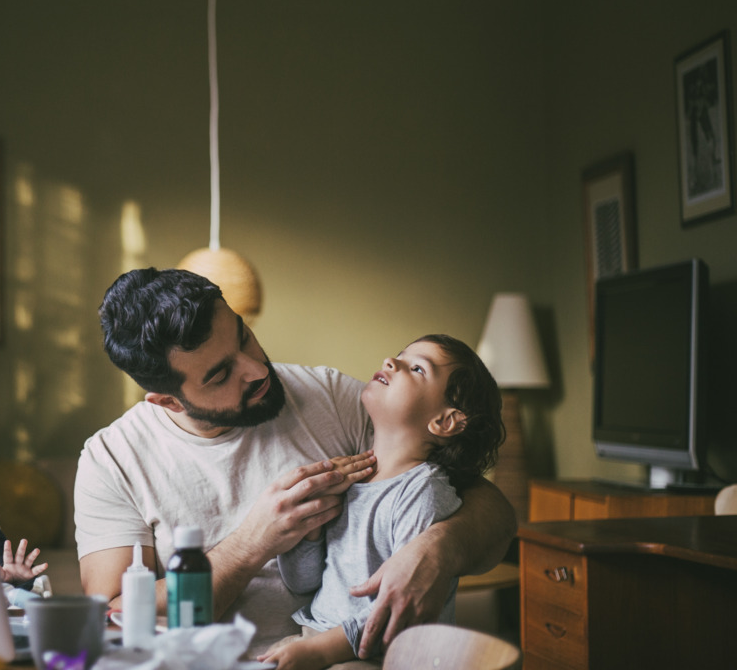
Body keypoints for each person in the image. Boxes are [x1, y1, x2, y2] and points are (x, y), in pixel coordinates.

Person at [75, 268, 516, 658]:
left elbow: (486, 509)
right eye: (221, 374)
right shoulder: (111, 459)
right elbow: (114, 614)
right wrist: (253, 543)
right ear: (168, 400)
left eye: (244, 336)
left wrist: (439, 548)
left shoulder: (332, 398)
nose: (257, 370)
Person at [259, 334, 503, 669]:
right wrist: (311, 531)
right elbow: (304, 583)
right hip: (315, 638)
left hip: (379, 655)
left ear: (445, 421)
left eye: (417, 368)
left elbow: (398, 613)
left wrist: (319, 652)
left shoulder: (422, 493)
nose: (392, 361)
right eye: (401, 355)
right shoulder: (352, 479)